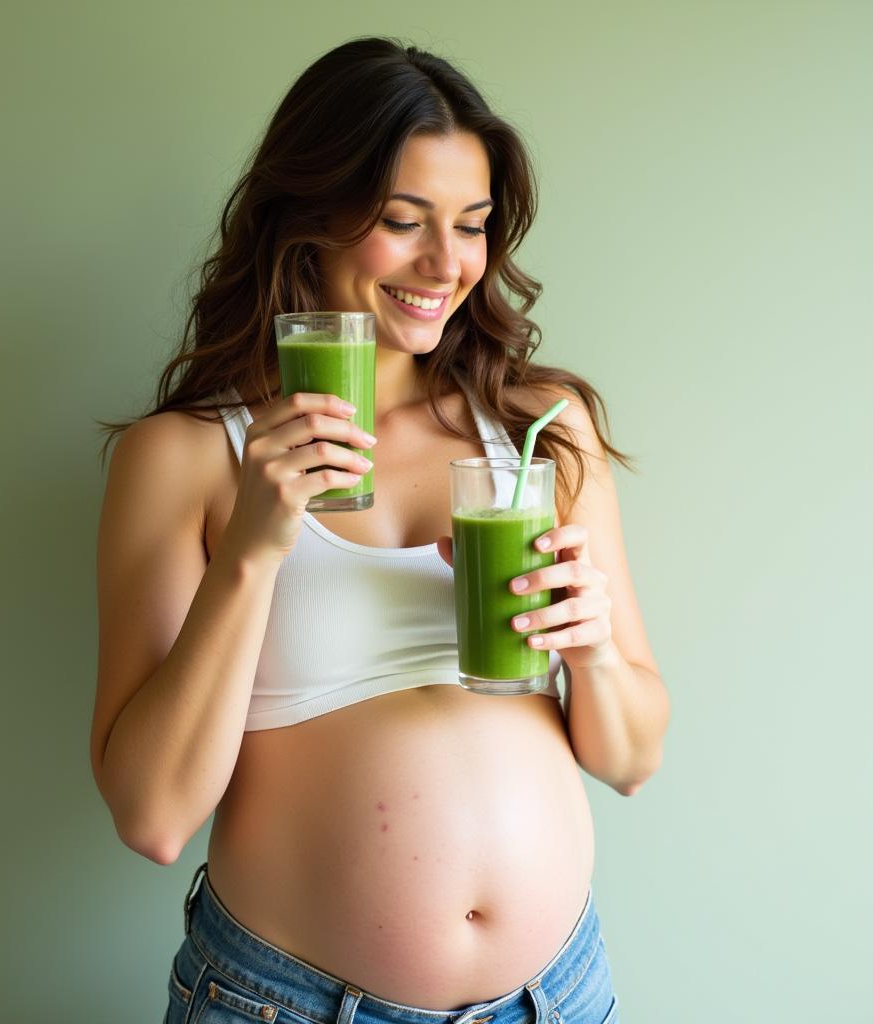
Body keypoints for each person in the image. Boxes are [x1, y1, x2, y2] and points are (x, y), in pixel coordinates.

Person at [90, 35, 669, 1024]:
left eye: (472, 225)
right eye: (404, 222)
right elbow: (153, 817)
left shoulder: (538, 435)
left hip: (555, 995)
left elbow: (628, 758)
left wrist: (591, 655)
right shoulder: (184, 459)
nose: (446, 264)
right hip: (287, 1004)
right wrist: (254, 552)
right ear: (309, 217)